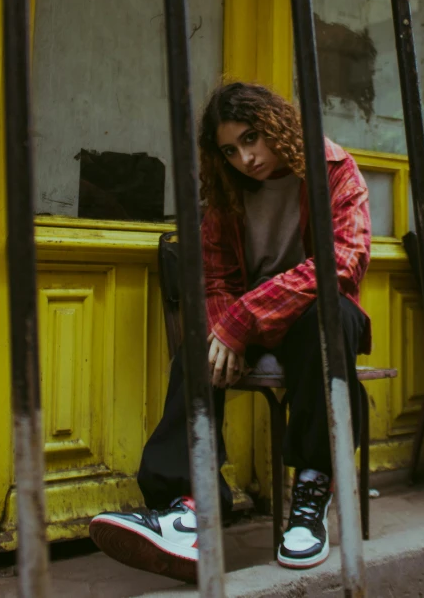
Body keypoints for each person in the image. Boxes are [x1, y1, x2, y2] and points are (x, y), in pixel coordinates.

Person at [89, 82, 371, 582]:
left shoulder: (332, 169)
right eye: (230, 149)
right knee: (199, 346)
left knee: (331, 318)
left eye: (252, 138)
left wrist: (243, 319)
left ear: (276, 126)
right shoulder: (226, 186)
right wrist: (226, 329)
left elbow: (344, 261)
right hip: (250, 316)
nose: (245, 158)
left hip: (312, 313)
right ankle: (189, 509)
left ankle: (311, 488)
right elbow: (215, 276)